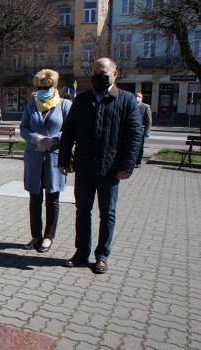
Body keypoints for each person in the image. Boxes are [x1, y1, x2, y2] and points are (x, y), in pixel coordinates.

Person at [58, 57, 143, 274]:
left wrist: (127, 166)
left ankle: (102, 256)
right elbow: (68, 133)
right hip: (84, 167)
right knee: (82, 211)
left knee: (108, 213)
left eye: (103, 74)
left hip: (111, 168)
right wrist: (64, 161)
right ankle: (81, 253)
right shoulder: (82, 100)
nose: (98, 78)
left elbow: (135, 135)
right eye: (94, 74)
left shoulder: (126, 100)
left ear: (115, 74)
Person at [20, 69, 71, 253]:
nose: (43, 90)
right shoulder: (31, 105)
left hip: (54, 157)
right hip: (34, 156)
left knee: (52, 198)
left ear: (55, 86)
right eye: (39, 87)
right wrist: (36, 139)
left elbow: (70, 130)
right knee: (35, 198)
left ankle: (49, 236)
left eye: (47, 87)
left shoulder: (65, 105)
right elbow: (23, 128)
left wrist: (53, 140)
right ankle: (36, 235)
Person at [135, 92, 152, 167]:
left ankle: (138, 162)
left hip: (140, 129)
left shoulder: (145, 106)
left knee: (139, 146)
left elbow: (149, 120)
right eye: (135, 96)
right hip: (130, 129)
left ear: (141, 98)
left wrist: (147, 131)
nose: (136, 97)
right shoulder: (131, 105)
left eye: (138, 96)